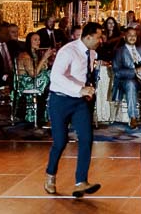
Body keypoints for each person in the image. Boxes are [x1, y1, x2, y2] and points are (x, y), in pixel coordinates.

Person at [43, 22, 102, 199]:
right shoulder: (68, 51)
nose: (101, 40)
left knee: (86, 138)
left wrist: (88, 90)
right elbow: (55, 76)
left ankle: (80, 181)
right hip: (60, 100)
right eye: (99, 37)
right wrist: (79, 89)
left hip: (79, 102)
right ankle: (50, 175)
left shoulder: (92, 53)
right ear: (88, 37)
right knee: (60, 142)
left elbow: (86, 75)